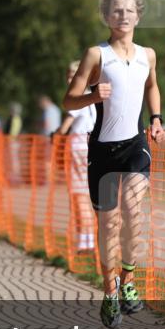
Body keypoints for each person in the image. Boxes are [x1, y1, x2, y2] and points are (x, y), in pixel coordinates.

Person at [63, 0, 165, 328]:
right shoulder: (97, 54)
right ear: (107, 17)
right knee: (108, 224)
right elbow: (69, 100)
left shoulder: (147, 55)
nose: (123, 16)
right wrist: (93, 95)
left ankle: (129, 281)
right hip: (103, 149)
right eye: (116, 11)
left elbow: (152, 86)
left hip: (135, 146)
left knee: (133, 214)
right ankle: (110, 292)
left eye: (129, 10)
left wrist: (155, 120)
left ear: (138, 15)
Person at [59, 60, 97, 254]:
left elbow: (65, 126)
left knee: (79, 195)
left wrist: (55, 135)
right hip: (91, 147)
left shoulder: (77, 98)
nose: (68, 79)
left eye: (72, 74)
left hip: (78, 148)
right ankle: (87, 239)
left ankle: (86, 241)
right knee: (86, 194)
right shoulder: (93, 96)